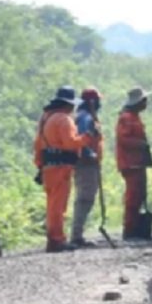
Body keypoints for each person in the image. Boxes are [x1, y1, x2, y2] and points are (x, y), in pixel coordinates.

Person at [33, 86, 96, 253]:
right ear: (68, 104)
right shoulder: (64, 119)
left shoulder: (46, 119)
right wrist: (87, 138)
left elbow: (38, 145)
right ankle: (57, 240)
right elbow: (70, 143)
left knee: (52, 205)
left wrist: (39, 165)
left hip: (48, 168)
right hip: (61, 168)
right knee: (58, 207)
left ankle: (54, 239)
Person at [116, 87, 152, 240]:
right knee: (133, 196)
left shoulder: (135, 117)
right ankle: (129, 229)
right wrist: (141, 145)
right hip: (130, 163)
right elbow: (123, 140)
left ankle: (136, 228)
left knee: (139, 195)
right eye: (144, 100)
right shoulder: (127, 117)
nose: (146, 103)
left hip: (138, 162)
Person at [70, 88, 103, 248]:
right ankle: (76, 235)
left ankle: (77, 234)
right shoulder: (85, 118)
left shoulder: (83, 116)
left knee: (84, 197)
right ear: (92, 102)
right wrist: (90, 154)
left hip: (86, 163)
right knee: (85, 198)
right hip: (86, 163)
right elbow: (82, 139)